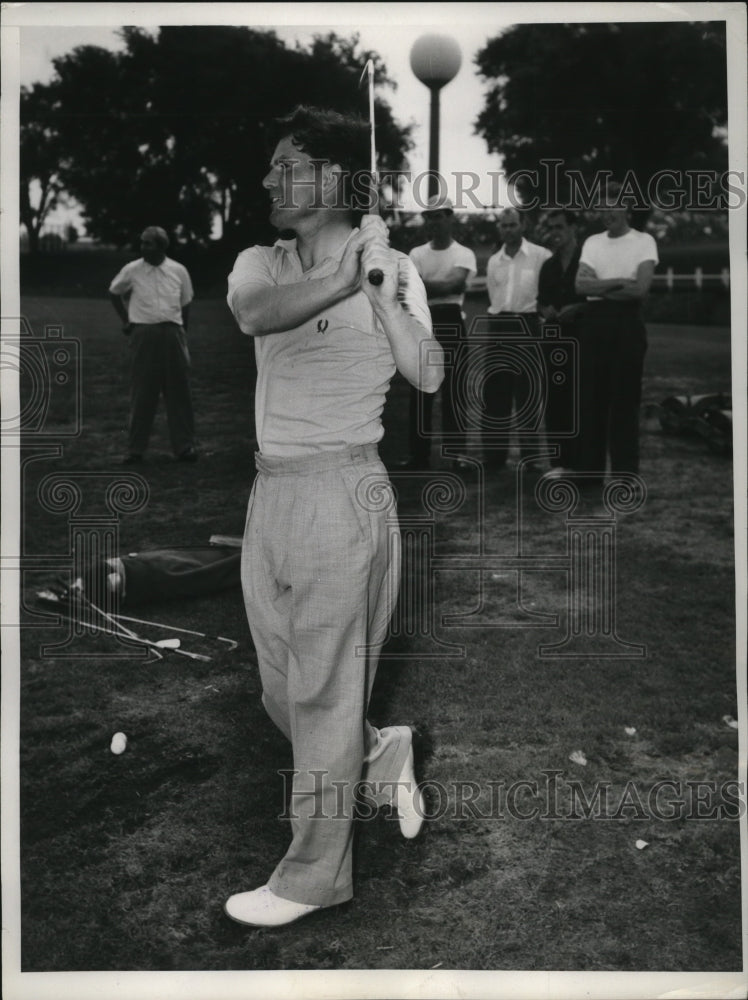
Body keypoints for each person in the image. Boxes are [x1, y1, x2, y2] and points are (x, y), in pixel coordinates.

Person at [224, 106, 443, 927]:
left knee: (318, 695)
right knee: (283, 690)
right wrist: (345, 278)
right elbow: (253, 312)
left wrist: (383, 293)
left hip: (346, 493)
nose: (270, 180)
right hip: (270, 491)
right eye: (272, 167)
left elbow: (426, 374)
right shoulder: (262, 261)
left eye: (289, 165)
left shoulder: (396, 270)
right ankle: (382, 751)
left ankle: (311, 879)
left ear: (339, 181)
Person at [574, 185, 658, 479]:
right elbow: (580, 286)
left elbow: (640, 290)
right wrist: (618, 282)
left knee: (624, 400)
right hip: (594, 324)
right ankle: (591, 472)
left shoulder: (644, 242)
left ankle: (625, 474)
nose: (606, 213)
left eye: (612, 207)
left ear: (626, 209)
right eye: (601, 208)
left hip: (626, 325)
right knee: (592, 399)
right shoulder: (593, 242)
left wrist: (601, 286)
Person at [108, 226, 197, 464]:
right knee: (143, 392)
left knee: (179, 392)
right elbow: (114, 292)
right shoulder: (132, 270)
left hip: (173, 333)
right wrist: (127, 321)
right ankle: (135, 450)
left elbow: (185, 302)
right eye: (142, 242)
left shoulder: (179, 271)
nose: (142, 247)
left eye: (148, 243)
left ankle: (184, 447)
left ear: (161, 246)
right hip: (143, 334)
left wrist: (181, 333)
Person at [404, 195, 477, 472]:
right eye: (428, 217)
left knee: (454, 393)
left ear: (450, 217)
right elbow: (412, 290)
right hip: (422, 323)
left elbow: (454, 285)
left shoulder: (463, 253)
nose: (433, 222)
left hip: (451, 322)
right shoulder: (416, 253)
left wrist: (426, 285)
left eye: (438, 216)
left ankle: (457, 454)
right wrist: (436, 286)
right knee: (420, 393)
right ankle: (418, 456)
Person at [481, 207, 552, 471]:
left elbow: (548, 293)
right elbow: (493, 296)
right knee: (495, 394)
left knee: (527, 394)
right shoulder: (494, 261)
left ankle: (530, 458)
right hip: (499, 325)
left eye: (513, 225)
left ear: (523, 226)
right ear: (499, 228)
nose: (508, 230)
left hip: (527, 326)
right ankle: (494, 457)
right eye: (504, 225)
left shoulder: (541, 256)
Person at [537, 209, 587, 471]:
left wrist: (578, 309)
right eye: (551, 228)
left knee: (582, 401)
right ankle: (559, 464)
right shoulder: (548, 266)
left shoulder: (587, 262)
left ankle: (582, 463)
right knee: (555, 402)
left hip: (583, 340)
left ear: (572, 228)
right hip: (554, 342)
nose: (555, 233)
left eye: (559, 227)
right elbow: (541, 301)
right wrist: (546, 311)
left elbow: (597, 300)